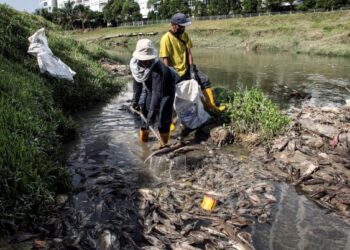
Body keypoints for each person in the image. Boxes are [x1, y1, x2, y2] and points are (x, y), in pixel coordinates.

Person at [159, 12, 225, 112]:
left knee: (204, 79)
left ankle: (210, 105)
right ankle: (170, 116)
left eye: (184, 27)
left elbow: (189, 52)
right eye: (181, 27)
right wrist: (170, 75)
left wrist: (191, 69)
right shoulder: (166, 39)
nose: (183, 29)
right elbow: (165, 60)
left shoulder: (184, 35)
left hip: (186, 69)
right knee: (171, 92)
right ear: (173, 25)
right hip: (175, 72)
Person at [130, 39, 179, 146]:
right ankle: (143, 144)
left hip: (167, 90)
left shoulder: (158, 68)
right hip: (150, 89)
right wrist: (135, 102)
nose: (147, 62)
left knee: (163, 118)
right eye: (144, 60)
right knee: (145, 113)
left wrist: (151, 116)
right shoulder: (134, 66)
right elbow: (137, 85)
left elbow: (157, 94)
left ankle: (163, 144)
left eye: (149, 60)